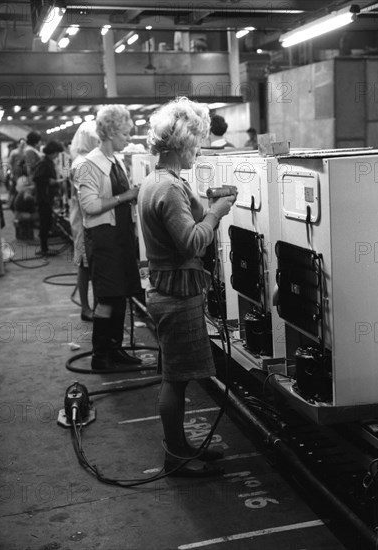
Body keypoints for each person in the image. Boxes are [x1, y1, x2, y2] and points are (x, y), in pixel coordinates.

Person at [138, 97, 235, 477]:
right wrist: (216, 212)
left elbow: (187, 215)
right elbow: (193, 241)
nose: (199, 149)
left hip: (169, 290)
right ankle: (175, 454)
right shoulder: (169, 189)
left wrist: (210, 200)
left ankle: (180, 446)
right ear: (181, 143)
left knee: (176, 377)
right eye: (196, 143)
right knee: (175, 380)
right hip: (175, 295)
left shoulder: (159, 181)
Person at [77, 105, 142, 371]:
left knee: (120, 296)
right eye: (125, 133)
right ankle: (100, 354)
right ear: (112, 132)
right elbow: (90, 206)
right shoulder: (88, 165)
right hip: (104, 240)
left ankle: (115, 348)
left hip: (121, 238)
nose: (129, 138)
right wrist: (127, 196)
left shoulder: (114, 161)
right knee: (106, 299)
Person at [69, 121, 100, 322]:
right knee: (85, 265)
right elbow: (87, 201)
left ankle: (91, 307)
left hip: (82, 219)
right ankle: (87, 308)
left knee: (88, 265)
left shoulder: (83, 160)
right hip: (83, 221)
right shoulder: (82, 163)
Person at [31, 140, 65, 257]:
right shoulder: (44, 163)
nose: (57, 156)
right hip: (43, 198)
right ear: (52, 152)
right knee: (45, 223)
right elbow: (37, 178)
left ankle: (45, 248)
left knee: (46, 222)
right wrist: (51, 181)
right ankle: (44, 249)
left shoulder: (48, 162)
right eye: (56, 153)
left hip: (47, 198)